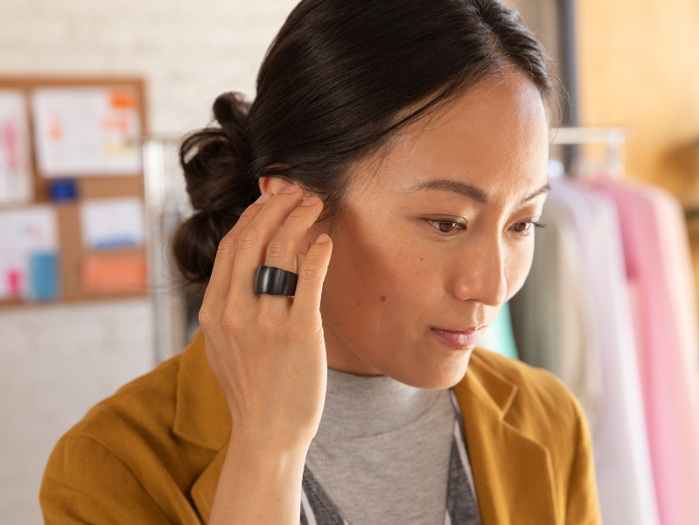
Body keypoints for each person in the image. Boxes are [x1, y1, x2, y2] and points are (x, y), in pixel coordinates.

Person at [40, 0, 602, 523]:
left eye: (522, 224)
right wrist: (267, 447)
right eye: (446, 223)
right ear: (293, 209)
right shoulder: (108, 469)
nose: (493, 286)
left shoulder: (549, 419)